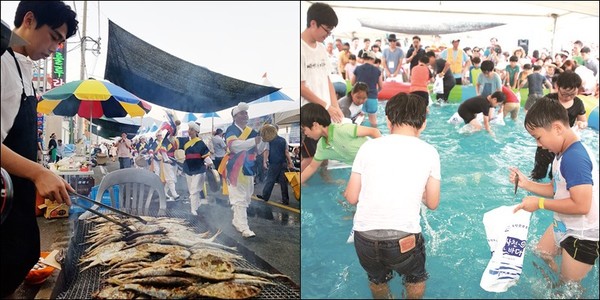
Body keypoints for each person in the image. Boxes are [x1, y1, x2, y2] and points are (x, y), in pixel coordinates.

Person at [0, 1, 77, 297]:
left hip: (15, 211)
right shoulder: (3, 63)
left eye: (61, 42)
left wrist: (43, 171)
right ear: (29, 20)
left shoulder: (24, 68)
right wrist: (37, 173)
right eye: (55, 37)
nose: (56, 48)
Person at [344, 93, 440, 299]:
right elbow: (432, 203)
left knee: (377, 279)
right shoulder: (429, 152)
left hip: (364, 238)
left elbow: (351, 197)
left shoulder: (368, 146)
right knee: (415, 278)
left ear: (387, 120)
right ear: (423, 124)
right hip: (403, 239)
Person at [511, 97, 598, 285]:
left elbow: (582, 205)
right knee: (542, 252)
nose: (539, 145)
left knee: (568, 288)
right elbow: (555, 188)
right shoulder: (562, 153)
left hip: (582, 235)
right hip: (566, 224)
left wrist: (539, 204)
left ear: (558, 128)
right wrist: (526, 184)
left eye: (538, 137)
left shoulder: (574, 158)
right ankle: (556, 280)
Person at [300, 2, 342, 183]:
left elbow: (327, 80)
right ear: (313, 24)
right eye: (327, 29)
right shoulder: (299, 49)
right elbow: (301, 86)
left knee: (325, 146)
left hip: (325, 109)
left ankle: (325, 177)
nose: (328, 35)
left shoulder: (322, 49)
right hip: (309, 111)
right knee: (309, 157)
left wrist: (335, 106)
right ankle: (299, 185)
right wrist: (325, 105)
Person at [300, 103, 381, 185]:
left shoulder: (342, 129)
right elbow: (311, 167)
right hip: (364, 169)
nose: (305, 133)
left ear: (315, 125)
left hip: (378, 161)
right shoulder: (322, 147)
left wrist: (385, 154)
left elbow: (374, 131)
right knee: (348, 195)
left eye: (304, 129)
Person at [530, 72, 587, 181]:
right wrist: (539, 141)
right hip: (545, 144)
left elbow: (583, 121)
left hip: (564, 146)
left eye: (572, 94)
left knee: (556, 175)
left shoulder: (578, 103)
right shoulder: (548, 100)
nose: (568, 97)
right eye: (564, 94)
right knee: (538, 173)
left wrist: (581, 124)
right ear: (557, 87)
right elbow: (535, 121)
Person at [218, 102, 262, 238]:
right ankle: (244, 227)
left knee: (247, 197)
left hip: (249, 166)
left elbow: (259, 149)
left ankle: (237, 221)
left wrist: (264, 140)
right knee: (239, 198)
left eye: (246, 113)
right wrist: (254, 141)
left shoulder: (252, 132)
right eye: (242, 113)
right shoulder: (231, 130)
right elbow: (234, 146)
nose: (245, 115)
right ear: (235, 116)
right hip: (235, 167)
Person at [256, 126, 294, 204]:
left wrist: (264, 161)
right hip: (283, 163)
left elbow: (267, 151)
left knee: (270, 180)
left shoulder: (269, 140)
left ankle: (265, 196)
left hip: (274, 163)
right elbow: (286, 152)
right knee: (283, 182)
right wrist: (290, 162)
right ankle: (285, 200)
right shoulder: (283, 140)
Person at [182, 121, 212, 216]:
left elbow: (206, 156)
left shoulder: (200, 143)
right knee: (192, 189)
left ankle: (193, 209)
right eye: (189, 129)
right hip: (188, 169)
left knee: (194, 190)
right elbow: (186, 156)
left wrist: (209, 163)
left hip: (199, 169)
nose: (189, 131)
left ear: (196, 131)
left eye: (191, 129)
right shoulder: (186, 144)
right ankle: (197, 204)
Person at [352, 51, 383, 128]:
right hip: (372, 97)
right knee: (373, 121)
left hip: (359, 97)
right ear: (373, 59)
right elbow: (381, 86)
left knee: (359, 120)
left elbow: (352, 83)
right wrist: (376, 92)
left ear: (363, 59)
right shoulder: (377, 70)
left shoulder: (358, 68)